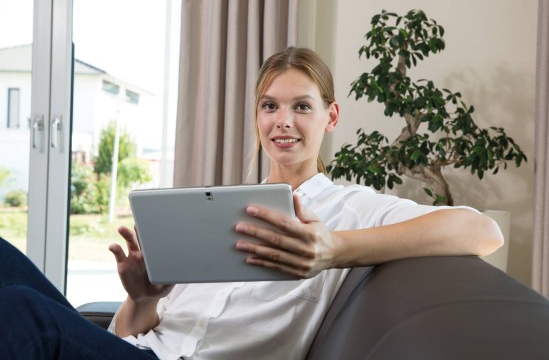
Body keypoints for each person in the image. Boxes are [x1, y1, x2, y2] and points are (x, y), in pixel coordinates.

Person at [0, 47, 503, 359]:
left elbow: (482, 231)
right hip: (132, 350)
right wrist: (144, 297)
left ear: (330, 117)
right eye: (269, 106)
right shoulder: (215, 211)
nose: (282, 121)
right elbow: (127, 333)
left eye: (301, 106)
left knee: (21, 311)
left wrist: (332, 249)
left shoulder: (351, 208)